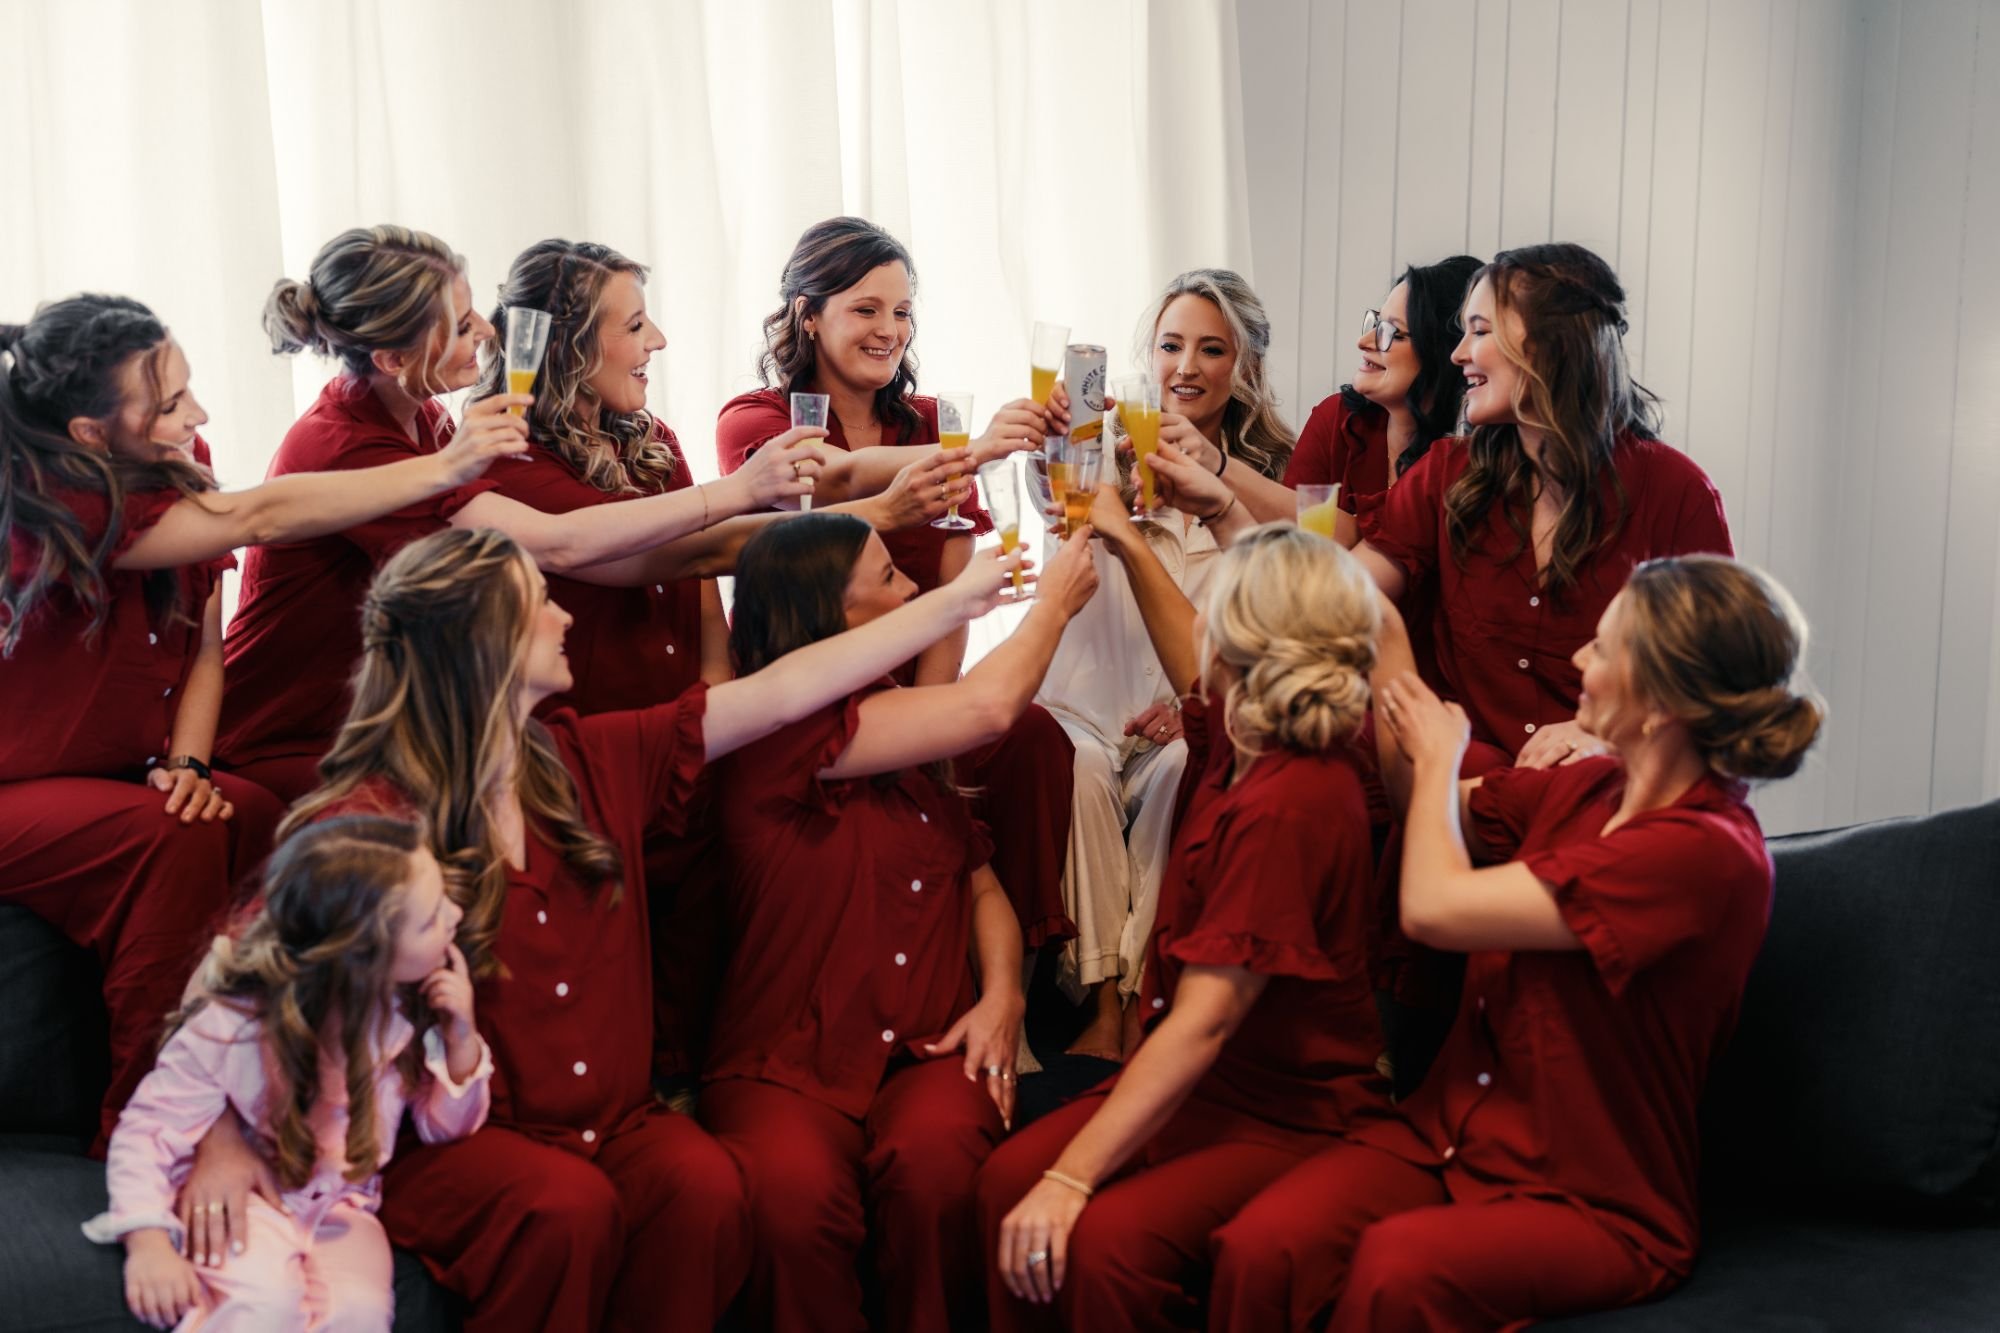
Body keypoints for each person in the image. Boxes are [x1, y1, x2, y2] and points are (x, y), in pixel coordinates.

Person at [181, 522, 1033, 1333]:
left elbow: (779, 693)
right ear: (479, 642)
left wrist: (961, 600)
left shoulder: (596, 758)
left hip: (620, 1124)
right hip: (457, 1136)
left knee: (703, 1187)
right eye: (540, 602)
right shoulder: (367, 814)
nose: (567, 616)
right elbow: (239, 976)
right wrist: (221, 1137)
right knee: (569, 1207)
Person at [1207, 554, 1823, 1330]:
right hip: (1448, 1137)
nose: (1579, 658)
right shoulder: (1582, 789)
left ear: (1661, 703)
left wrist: (1441, 756)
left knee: (1397, 1271)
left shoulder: (1706, 854)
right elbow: (1421, 805)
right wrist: (1389, 642)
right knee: (1264, 1247)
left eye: (1603, 647)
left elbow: (1433, 907)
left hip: (1590, 1195)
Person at [0, 293, 520, 1152]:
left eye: (190, 388)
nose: (199, 416)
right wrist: (446, 466)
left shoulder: (183, 459)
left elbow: (206, 645)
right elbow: (260, 514)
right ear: (91, 434)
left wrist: (191, 766)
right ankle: (151, 1124)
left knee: (256, 813)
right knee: (170, 838)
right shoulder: (50, 498)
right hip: (18, 785)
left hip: (119, 767)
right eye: (171, 404)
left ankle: (307, 1093)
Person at [465, 238, 967, 1079]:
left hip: (682, 716)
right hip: (583, 735)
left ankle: (708, 1070)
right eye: (635, 325)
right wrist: (868, 509)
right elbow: (633, 554)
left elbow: (705, 567)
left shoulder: (652, 438)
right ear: (571, 342)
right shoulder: (509, 455)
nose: (657, 340)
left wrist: (716, 692)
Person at [216, 225, 826, 801]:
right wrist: (739, 490)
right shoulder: (346, 445)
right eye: (462, 325)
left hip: (378, 729)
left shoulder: (426, 420)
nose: (488, 330)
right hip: (296, 734)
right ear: (393, 360)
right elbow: (560, 543)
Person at [978, 518, 1392, 1332]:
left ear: (1243, 641)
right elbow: (1186, 665)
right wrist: (1124, 534)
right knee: (1002, 1183)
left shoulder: (1291, 801)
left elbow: (1206, 1022)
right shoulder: (1240, 734)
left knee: (1106, 1242)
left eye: (1215, 610)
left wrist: (1072, 1176)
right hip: (1208, 1089)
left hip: (1280, 1110)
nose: (1197, 625)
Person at [700, 514, 1099, 1333]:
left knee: (941, 1170)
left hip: (927, 1046)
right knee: (791, 1205)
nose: (912, 590)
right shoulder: (767, 729)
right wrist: (1052, 602)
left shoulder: (903, 734)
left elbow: (980, 887)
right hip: (789, 1056)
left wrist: (1003, 998)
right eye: (889, 578)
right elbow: (990, 707)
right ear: (829, 615)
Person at [719, 215, 1078, 951]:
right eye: (867, 309)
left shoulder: (932, 422)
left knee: (1034, 736)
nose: (890, 330)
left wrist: (933, 711)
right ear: (807, 315)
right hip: (803, 692)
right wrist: (970, 450)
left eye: (903, 311)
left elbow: (953, 575)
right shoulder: (755, 420)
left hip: (916, 682)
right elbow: (824, 474)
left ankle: (1026, 971)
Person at [84, 815, 491, 1332]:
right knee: (264, 1305)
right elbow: (147, 1129)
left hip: (342, 1211)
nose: (456, 914)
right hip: (254, 1199)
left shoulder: (408, 1007)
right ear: (363, 953)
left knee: (360, 1314)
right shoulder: (233, 1026)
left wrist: (460, 1040)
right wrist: (147, 1241)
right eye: (431, 918)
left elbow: (444, 1127)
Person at [1033, 436, 1219, 1064]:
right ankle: (1102, 1005)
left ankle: (1146, 997)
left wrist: (1189, 710)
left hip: (1173, 721)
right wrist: (1063, 433)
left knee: (1186, 765)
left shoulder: (1235, 502)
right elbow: (1047, 477)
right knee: (1082, 768)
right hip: (1081, 714)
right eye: (1169, 350)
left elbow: (1249, 635)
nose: (1181, 378)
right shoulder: (1095, 464)